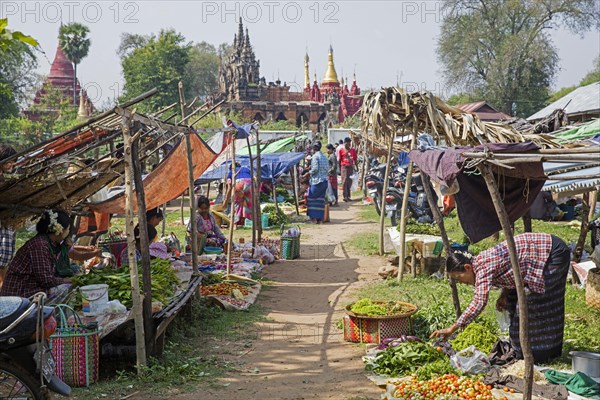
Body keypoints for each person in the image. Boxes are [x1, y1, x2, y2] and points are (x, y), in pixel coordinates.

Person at [431, 233, 571, 363]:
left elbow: (479, 303)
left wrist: (452, 328)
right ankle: (523, 348)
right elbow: (511, 270)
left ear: (467, 267)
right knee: (512, 299)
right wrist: (504, 295)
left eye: (459, 278)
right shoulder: (480, 264)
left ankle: (543, 352)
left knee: (533, 303)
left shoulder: (483, 267)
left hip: (551, 253)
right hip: (537, 255)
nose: (461, 282)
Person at [0, 210, 75, 299]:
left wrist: (65, 247)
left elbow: (56, 269)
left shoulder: (49, 243)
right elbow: (46, 280)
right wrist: (69, 280)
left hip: (30, 288)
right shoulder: (40, 245)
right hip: (20, 293)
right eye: (68, 229)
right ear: (61, 230)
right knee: (68, 288)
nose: (68, 233)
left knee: (73, 274)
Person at [0, 144, 17, 287]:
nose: (12, 164)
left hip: (6, 224)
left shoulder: (4, 180)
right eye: (9, 161)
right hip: (2, 225)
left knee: (4, 262)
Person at [304, 142, 329, 224]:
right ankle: (320, 219)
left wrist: (308, 173)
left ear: (314, 149)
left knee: (311, 199)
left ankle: (313, 219)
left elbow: (315, 169)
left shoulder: (315, 157)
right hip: (324, 181)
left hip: (316, 182)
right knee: (321, 200)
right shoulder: (324, 157)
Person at [338, 137, 357, 202]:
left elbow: (355, 159)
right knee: (344, 181)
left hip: (350, 167)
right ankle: (345, 196)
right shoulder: (341, 150)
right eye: (346, 143)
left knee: (349, 182)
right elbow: (339, 160)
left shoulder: (353, 150)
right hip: (344, 167)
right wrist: (339, 169)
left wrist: (356, 167)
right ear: (344, 143)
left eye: (349, 143)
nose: (347, 144)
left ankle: (348, 196)